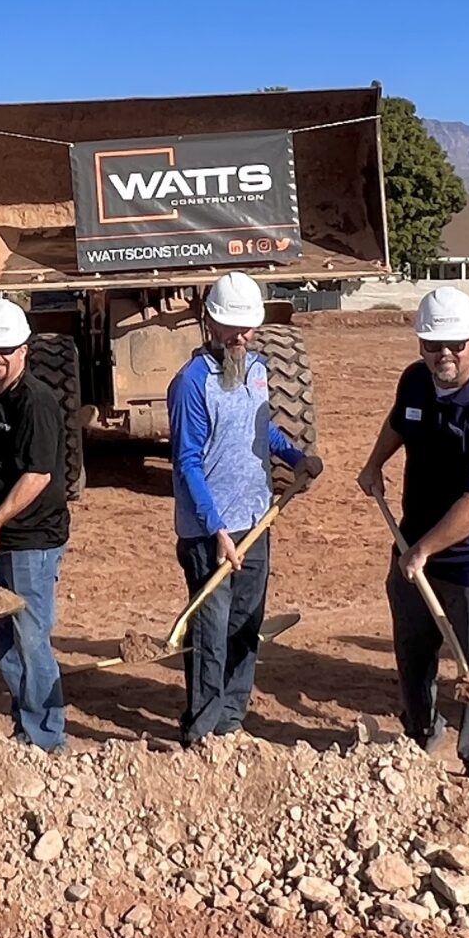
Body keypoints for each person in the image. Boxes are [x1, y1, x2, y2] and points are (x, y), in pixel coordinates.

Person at [357, 285, 469, 784]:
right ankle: (419, 734)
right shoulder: (415, 381)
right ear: (420, 345)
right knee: (413, 647)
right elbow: (400, 422)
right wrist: (374, 464)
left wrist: (425, 549)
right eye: (434, 345)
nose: (445, 354)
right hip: (414, 541)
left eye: (455, 344)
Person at [168, 273, 318, 746]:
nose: (242, 337)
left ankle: (232, 720)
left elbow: (262, 432)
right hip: (209, 533)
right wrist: (216, 531)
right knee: (210, 633)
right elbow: (187, 461)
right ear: (209, 322)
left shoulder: (256, 369)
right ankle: (202, 730)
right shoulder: (191, 383)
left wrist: (296, 457)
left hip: (256, 523)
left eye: (248, 329)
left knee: (245, 626)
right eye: (233, 328)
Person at [0, 299, 68, 752]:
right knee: (2, 638)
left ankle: (46, 736)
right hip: (2, 536)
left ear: (24, 349)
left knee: (31, 639)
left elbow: (37, 474)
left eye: (4, 350)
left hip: (32, 539)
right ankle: (24, 718)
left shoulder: (37, 402)